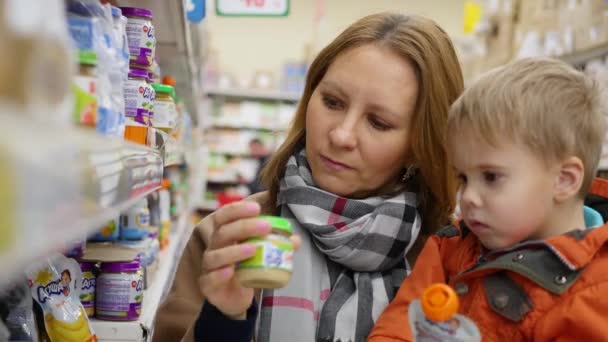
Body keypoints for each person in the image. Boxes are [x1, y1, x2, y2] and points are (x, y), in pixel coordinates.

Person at [153, 12, 464, 342]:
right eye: (332, 101)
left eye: (378, 123)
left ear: (420, 146)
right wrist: (223, 322)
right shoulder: (231, 239)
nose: (341, 135)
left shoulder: (452, 258)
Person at [368, 58, 608, 341]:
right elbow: (397, 328)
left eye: (491, 177)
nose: (467, 197)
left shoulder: (593, 290)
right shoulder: (449, 249)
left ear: (564, 180)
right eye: (463, 178)